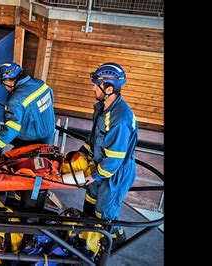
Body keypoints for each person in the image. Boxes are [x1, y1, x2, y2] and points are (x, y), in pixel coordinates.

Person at [75, 62, 138, 253]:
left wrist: (94, 175)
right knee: (92, 199)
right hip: (100, 165)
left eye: (97, 84)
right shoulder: (102, 108)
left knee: (105, 211)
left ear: (109, 89)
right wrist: (81, 152)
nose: (93, 87)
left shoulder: (120, 118)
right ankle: (90, 238)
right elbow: (95, 138)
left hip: (115, 172)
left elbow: (115, 159)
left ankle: (115, 242)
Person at [0, 61, 56, 213]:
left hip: (30, 141)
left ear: (8, 80)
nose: (5, 87)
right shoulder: (41, 84)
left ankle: (25, 206)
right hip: (47, 135)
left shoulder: (15, 100)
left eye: (4, 83)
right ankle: (31, 200)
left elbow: (12, 129)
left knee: (26, 173)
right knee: (42, 170)